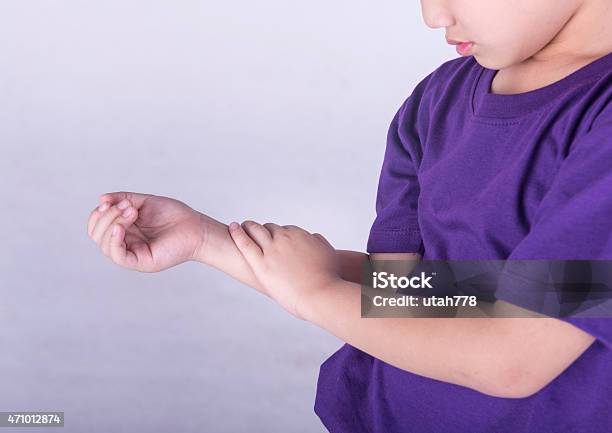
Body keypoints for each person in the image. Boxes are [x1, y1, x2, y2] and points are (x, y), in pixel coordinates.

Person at [87, 0, 612, 431]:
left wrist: (315, 295)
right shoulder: (439, 99)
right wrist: (205, 240)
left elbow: (515, 358)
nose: (433, 16)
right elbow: (406, 297)